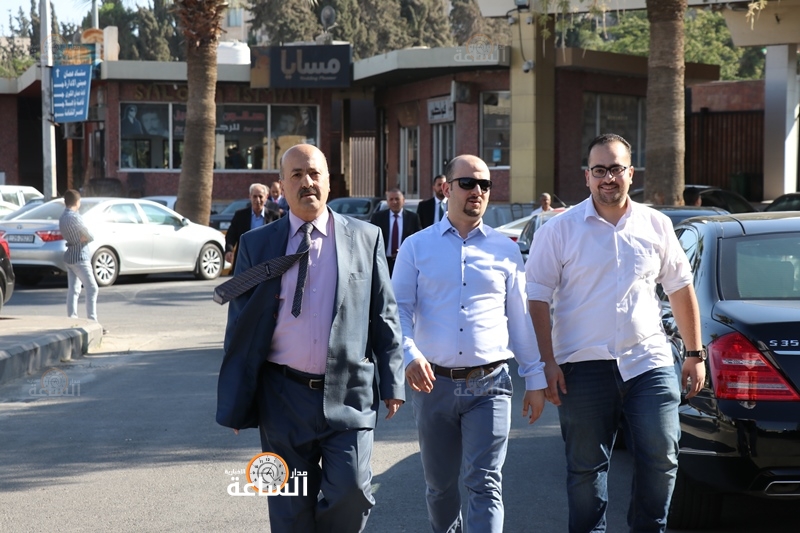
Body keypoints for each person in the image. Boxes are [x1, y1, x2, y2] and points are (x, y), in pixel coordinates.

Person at [216, 144, 406, 533]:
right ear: (282, 186)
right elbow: (241, 329)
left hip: (349, 392)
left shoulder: (365, 237)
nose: (307, 182)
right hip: (281, 398)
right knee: (289, 509)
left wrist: (393, 381)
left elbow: (384, 314)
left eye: (315, 173)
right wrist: (237, 399)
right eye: (297, 175)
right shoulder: (257, 244)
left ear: (329, 182)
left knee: (353, 492)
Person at [525, 133, 705, 533]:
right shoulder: (559, 230)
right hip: (582, 367)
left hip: (648, 362)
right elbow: (536, 298)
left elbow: (680, 288)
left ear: (631, 173)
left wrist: (695, 354)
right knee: (586, 469)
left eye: (616, 169)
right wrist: (546, 363)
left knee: (662, 457)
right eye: (599, 170)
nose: (608, 178)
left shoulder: (655, 224)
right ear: (587, 176)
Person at [392, 154, 547, 533]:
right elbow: (397, 311)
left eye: (484, 185)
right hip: (433, 384)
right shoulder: (416, 246)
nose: (477, 191)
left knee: (485, 483)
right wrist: (409, 355)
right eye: (467, 183)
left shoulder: (505, 249)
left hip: (489, 384)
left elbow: (520, 319)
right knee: (440, 487)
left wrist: (535, 379)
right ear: (447, 189)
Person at [59, 189, 106, 334]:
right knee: (92, 288)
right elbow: (89, 235)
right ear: (77, 202)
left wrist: (82, 237)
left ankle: (72, 320)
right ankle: (93, 322)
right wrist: (83, 237)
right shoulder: (75, 217)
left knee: (74, 290)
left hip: (69, 256)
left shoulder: (62, 217)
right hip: (80, 256)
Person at [224, 183, 280, 268]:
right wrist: (229, 250)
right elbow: (231, 235)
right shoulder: (240, 215)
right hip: (245, 260)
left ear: (266, 197)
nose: (258, 200)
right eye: (254, 196)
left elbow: (279, 238)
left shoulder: (274, 216)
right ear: (250, 196)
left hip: (266, 261)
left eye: (260, 196)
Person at [369, 188, 421, 275]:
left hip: (405, 261)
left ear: (403, 201)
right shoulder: (378, 217)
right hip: (383, 261)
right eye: (391, 199)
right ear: (387, 201)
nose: (394, 202)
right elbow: (371, 239)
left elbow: (418, 239)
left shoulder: (413, 218)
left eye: (397, 199)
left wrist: (403, 251)